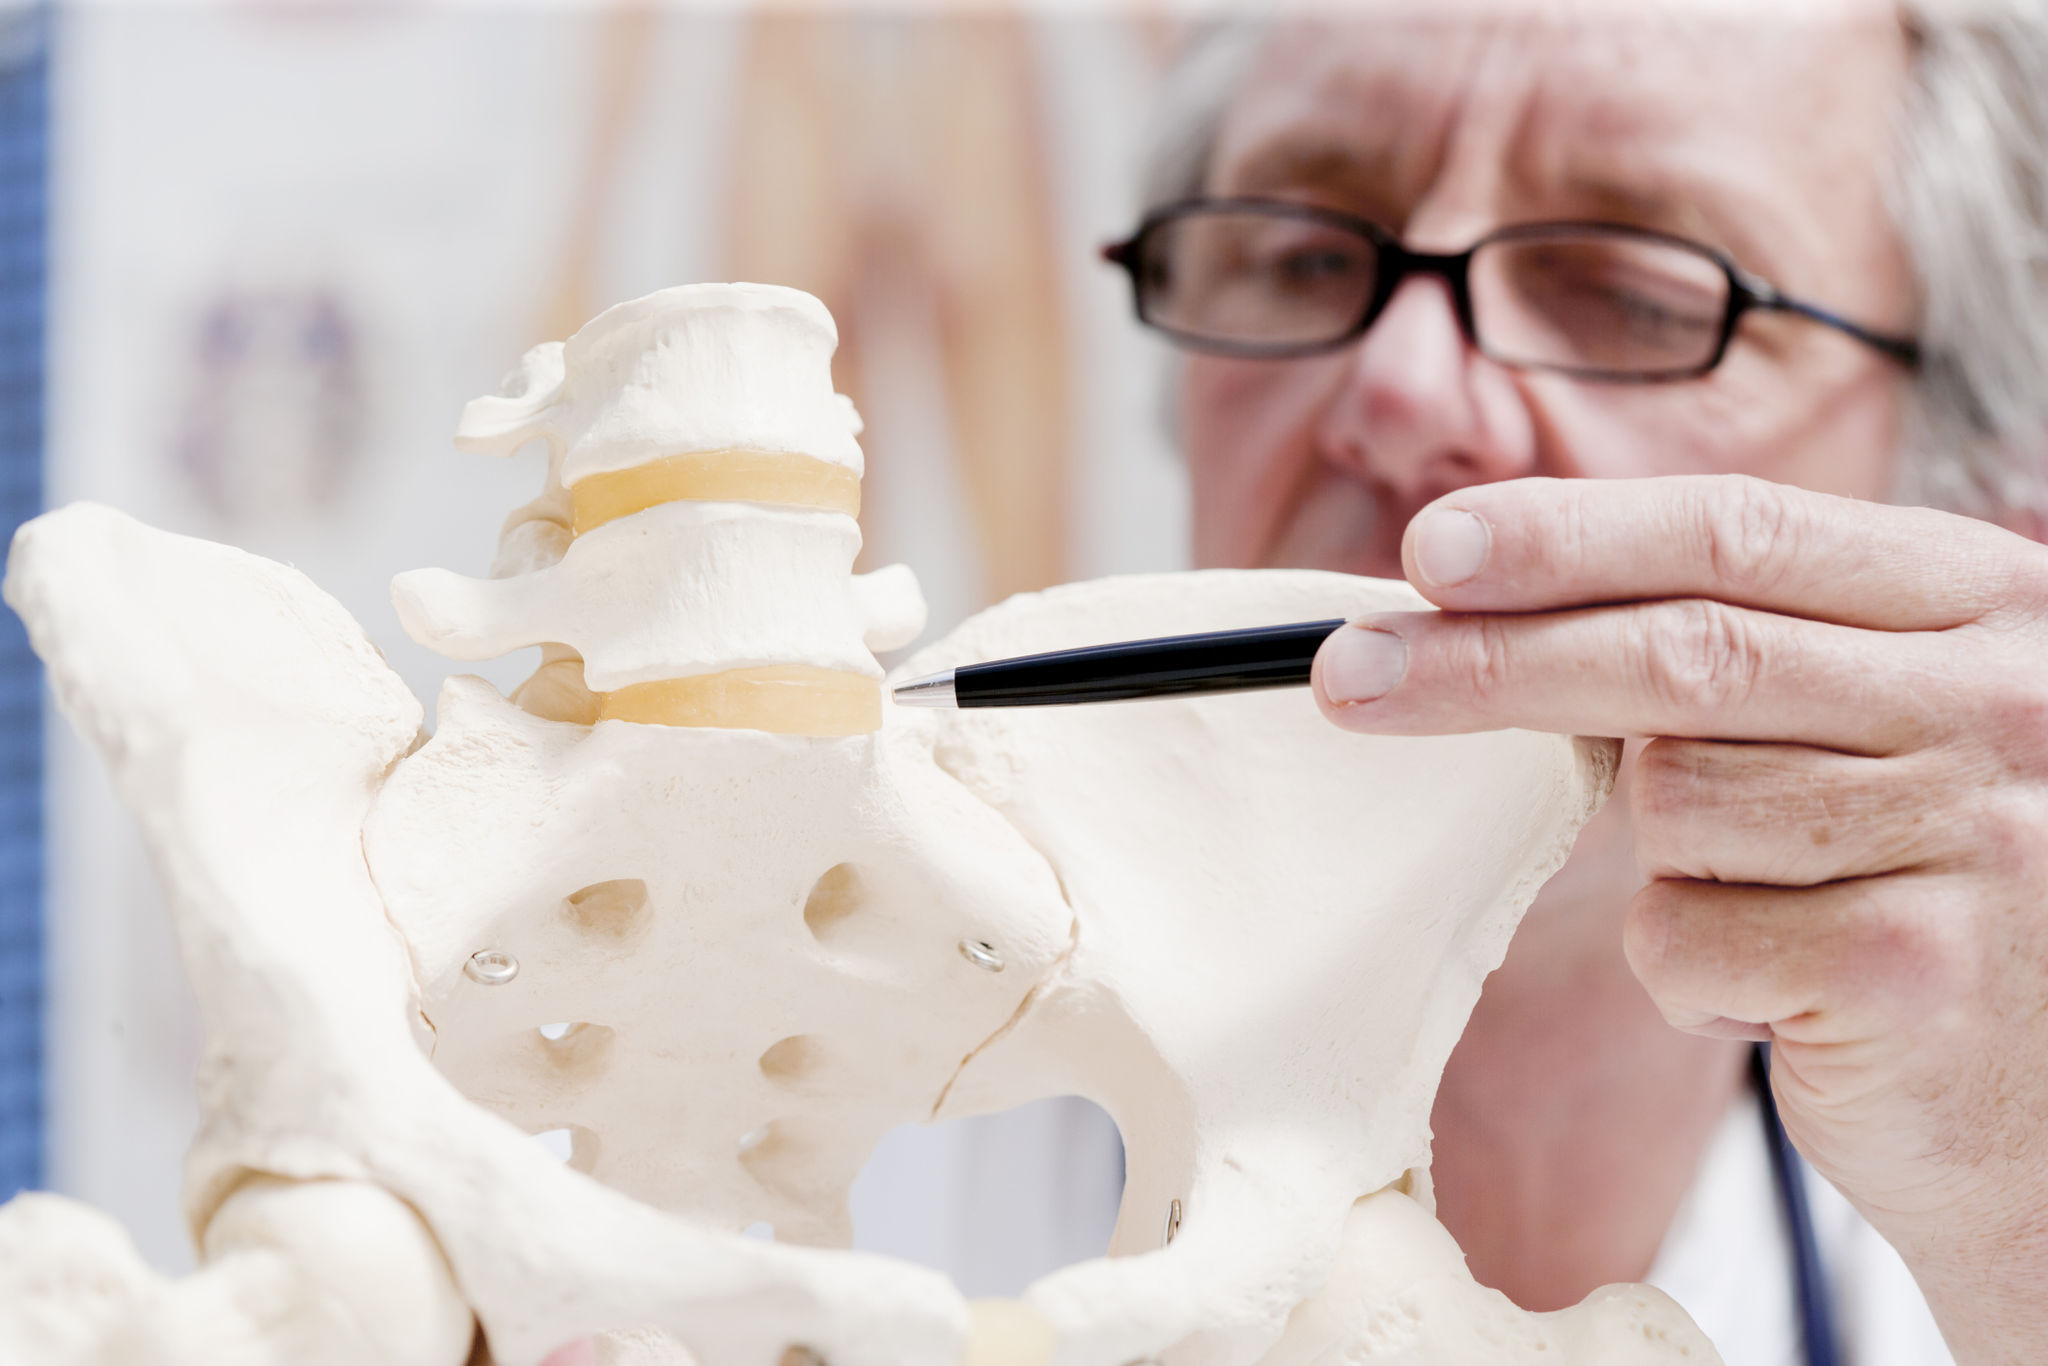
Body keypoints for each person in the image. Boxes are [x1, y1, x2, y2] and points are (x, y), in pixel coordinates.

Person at [1098, 3, 2048, 1364]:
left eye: (1637, 295)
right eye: (1305, 256)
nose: (1402, 386)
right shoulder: (762, 1157)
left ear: (1990, 512)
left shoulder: (2009, 1242)